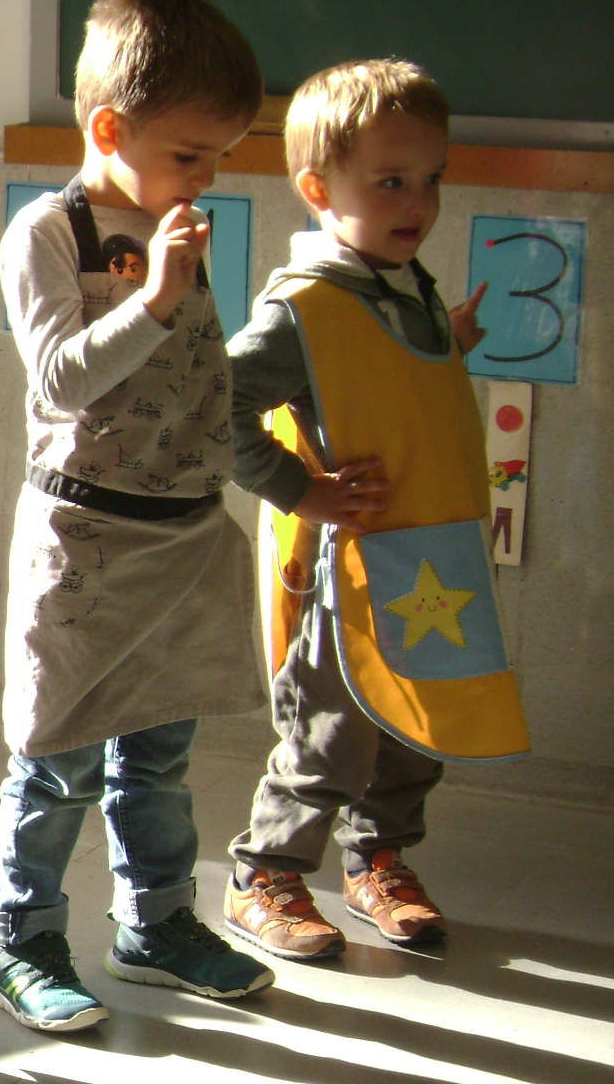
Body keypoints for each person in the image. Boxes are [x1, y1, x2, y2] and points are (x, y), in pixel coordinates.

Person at [0, 0, 276, 1034]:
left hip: (183, 535)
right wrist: (155, 296)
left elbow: (194, 379)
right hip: (88, 541)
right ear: (109, 130)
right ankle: (22, 941)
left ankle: (155, 925)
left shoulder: (170, 225)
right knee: (57, 760)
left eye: (221, 156)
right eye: (193, 154)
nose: (210, 177)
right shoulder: (47, 233)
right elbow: (62, 379)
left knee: (157, 755)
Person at [221, 59, 525, 960]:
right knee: (330, 732)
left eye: (432, 179)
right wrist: (300, 490)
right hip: (348, 574)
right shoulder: (306, 307)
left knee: (415, 727)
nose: (419, 202)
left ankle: (377, 858)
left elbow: (383, 385)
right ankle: (265, 873)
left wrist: (447, 344)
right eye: (391, 181)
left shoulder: (408, 286)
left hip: (433, 560)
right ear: (318, 189)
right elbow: (217, 408)